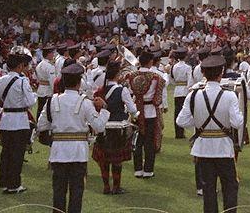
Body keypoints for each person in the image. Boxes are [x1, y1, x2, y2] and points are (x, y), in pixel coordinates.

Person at [37, 63, 110, 213]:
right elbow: (99, 126)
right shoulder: (85, 102)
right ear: (79, 82)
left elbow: (41, 125)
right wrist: (104, 109)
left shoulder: (52, 101)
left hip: (58, 152)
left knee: (58, 191)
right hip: (78, 152)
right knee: (77, 192)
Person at [176, 54, 243, 213]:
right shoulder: (229, 95)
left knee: (208, 190)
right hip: (224, 149)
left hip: (203, 149)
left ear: (203, 73)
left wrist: (199, 123)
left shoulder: (193, 95)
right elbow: (237, 123)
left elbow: (181, 121)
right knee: (230, 188)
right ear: (221, 73)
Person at [0, 52, 37, 194]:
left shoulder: (1, 80)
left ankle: (5, 183)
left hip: (6, 120)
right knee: (17, 154)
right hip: (20, 120)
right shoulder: (23, 81)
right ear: (20, 66)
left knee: (6, 153)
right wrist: (33, 95)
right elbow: (31, 102)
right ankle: (14, 184)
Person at [92, 61, 138, 194]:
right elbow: (132, 109)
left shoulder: (100, 90)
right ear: (118, 74)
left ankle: (106, 187)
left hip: (103, 126)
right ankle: (116, 187)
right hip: (117, 129)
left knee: (104, 160)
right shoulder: (122, 90)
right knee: (116, 160)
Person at [126, 51, 164, 178]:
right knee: (149, 141)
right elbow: (158, 99)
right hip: (150, 112)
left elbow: (131, 92)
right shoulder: (156, 76)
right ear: (150, 62)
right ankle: (148, 170)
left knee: (137, 140)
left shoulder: (131, 75)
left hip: (136, 111)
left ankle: (137, 169)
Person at [171, 48, 192, 139]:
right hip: (184, 90)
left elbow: (171, 79)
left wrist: (176, 84)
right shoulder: (187, 67)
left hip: (177, 90)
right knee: (183, 111)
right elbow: (190, 81)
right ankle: (181, 132)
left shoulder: (174, 66)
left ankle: (178, 133)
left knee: (177, 111)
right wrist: (189, 89)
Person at [35, 45, 57, 117]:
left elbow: (36, 77)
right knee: (47, 112)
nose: (53, 55)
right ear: (49, 54)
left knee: (40, 109)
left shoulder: (39, 64)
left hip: (41, 89)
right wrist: (55, 91)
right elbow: (52, 81)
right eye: (52, 53)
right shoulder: (49, 66)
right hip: (48, 91)